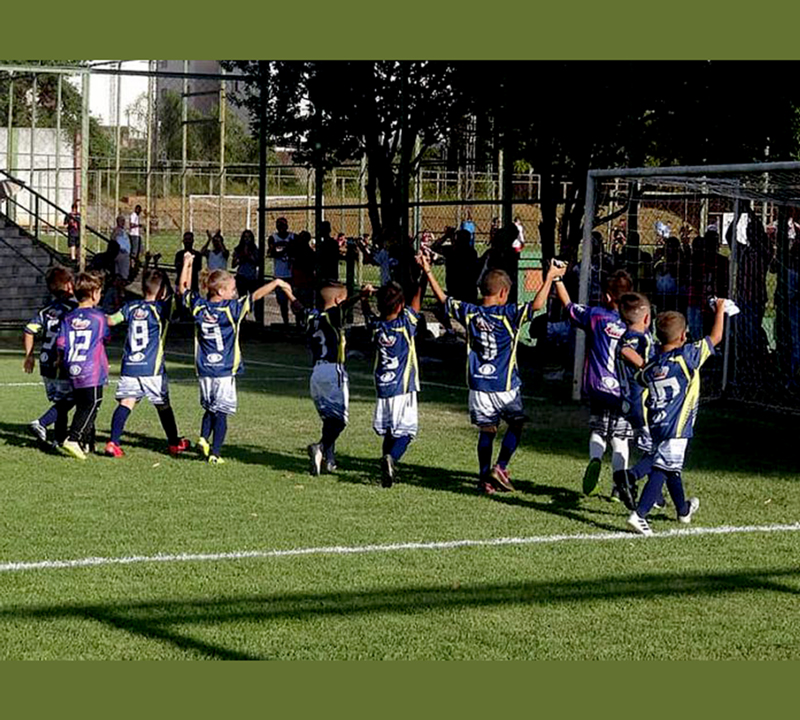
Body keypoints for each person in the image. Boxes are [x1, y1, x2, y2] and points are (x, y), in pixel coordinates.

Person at [422, 254, 556, 495]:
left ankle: (484, 479)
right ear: (504, 293)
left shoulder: (469, 312)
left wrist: (428, 270)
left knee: (487, 431)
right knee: (516, 424)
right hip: (504, 384)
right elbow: (536, 305)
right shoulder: (508, 315)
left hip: (478, 384)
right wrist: (549, 279)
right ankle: (501, 467)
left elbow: (443, 299)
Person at [178, 253, 295, 464]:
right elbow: (256, 296)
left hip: (204, 368)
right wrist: (276, 282)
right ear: (221, 291)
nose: (235, 292)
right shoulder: (232, 309)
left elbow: (183, 289)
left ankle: (203, 438)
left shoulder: (199, 307)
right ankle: (215, 453)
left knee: (209, 407)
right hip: (224, 369)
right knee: (222, 412)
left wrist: (187, 263)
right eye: (232, 289)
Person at [626, 299, 730, 536]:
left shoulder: (652, 365)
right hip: (677, 425)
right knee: (662, 468)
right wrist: (721, 309)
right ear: (683, 336)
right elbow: (716, 337)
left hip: (657, 423)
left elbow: (641, 379)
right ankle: (639, 514)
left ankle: (683, 510)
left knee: (672, 468)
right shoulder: (688, 356)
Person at [552, 266, 634, 497]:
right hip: (623, 392)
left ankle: (596, 458)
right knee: (620, 438)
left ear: (607, 297)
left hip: (598, 386)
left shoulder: (596, 316)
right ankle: (620, 485)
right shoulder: (635, 325)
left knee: (598, 430)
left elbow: (569, 308)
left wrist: (557, 279)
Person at [104, 268, 190, 459]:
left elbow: (110, 320)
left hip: (130, 367)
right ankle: (174, 443)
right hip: (152, 369)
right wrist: (187, 264)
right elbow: (184, 291)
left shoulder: (131, 307)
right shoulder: (162, 308)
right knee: (163, 405)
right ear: (163, 291)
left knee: (126, 403)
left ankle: (113, 442)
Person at [360, 277, 425, 488]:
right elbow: (417, 301)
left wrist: (364, 299)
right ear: (400, 305)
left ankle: (385, 464)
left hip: (383, 387)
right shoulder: (405, 325)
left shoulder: (376, 326)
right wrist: (423, 275)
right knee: (407, 432)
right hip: (403, 388)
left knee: (389, 430)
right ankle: (391, 459)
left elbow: (367, 313)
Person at [305, 281, 368, 476]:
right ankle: (321, 447)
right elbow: (342, 307)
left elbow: (297, 306)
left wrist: (288, 292)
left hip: (316, 372)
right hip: (334, 371)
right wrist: (360, 296)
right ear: (338, 299)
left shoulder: (311, 316)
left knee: (329, 419)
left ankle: (328, 461)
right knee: (340, 421)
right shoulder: (333, 316)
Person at [612, 292, 660, 510]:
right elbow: (626, 350)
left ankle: (655, 495)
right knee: (660, 453)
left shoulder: (632, 335)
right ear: (647, 318)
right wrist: (649, 368)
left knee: (651, 449)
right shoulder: (635, 337)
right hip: (640, 403)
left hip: (628, 402)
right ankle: (628, 478)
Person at [56, 272, 110, 460]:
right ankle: (74, 438)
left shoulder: (68, 317)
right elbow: (105, 337)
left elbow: (61, 344)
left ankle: (86, 442)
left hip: (72, 366)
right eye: (100, 291)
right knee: (92, 402)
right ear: (94, 293)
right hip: (91, 369)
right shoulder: (98, 317)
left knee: (83, 403)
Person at [22, 267, 77, 447]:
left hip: (45, 362)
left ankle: (58, 439)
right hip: (60, 360)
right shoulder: (74, 308)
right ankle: (42, 422)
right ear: (69, 285)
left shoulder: (46, 311)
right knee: (74, 398)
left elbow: (29, 330)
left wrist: (29, 356)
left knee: (61, 401)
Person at [268, 217, 295, 324]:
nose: (281, 227)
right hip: (279, 274)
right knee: (282, 301)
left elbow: (294, 249)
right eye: (279, 225)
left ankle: (299, 322)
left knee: (294, 300)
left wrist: (284, 247)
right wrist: (284, 248)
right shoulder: (273, 237)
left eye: (283, 225)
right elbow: (272, 252)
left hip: (291, 274)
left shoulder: (292, 236)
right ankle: (286, 322)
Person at [231, 229, 260, 298]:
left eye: (249, 237)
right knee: (242, 297)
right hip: (241, 276)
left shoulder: (255, 249)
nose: (247, 239)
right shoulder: (238, 249)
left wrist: (250, 256)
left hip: (252, 277)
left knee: (252, 297)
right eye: (245, 237)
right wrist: (240, 258)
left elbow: (258, 263)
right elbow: (233, 265)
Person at [111, 214, 132, 283]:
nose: (123, 222)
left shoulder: (123, 230)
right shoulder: (117, 230)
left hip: (124, 253)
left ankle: (119, 284)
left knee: (119, 273)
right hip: (121, 252)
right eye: (121, 221)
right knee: (123, 273)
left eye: (124, 221)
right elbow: (113, 239)